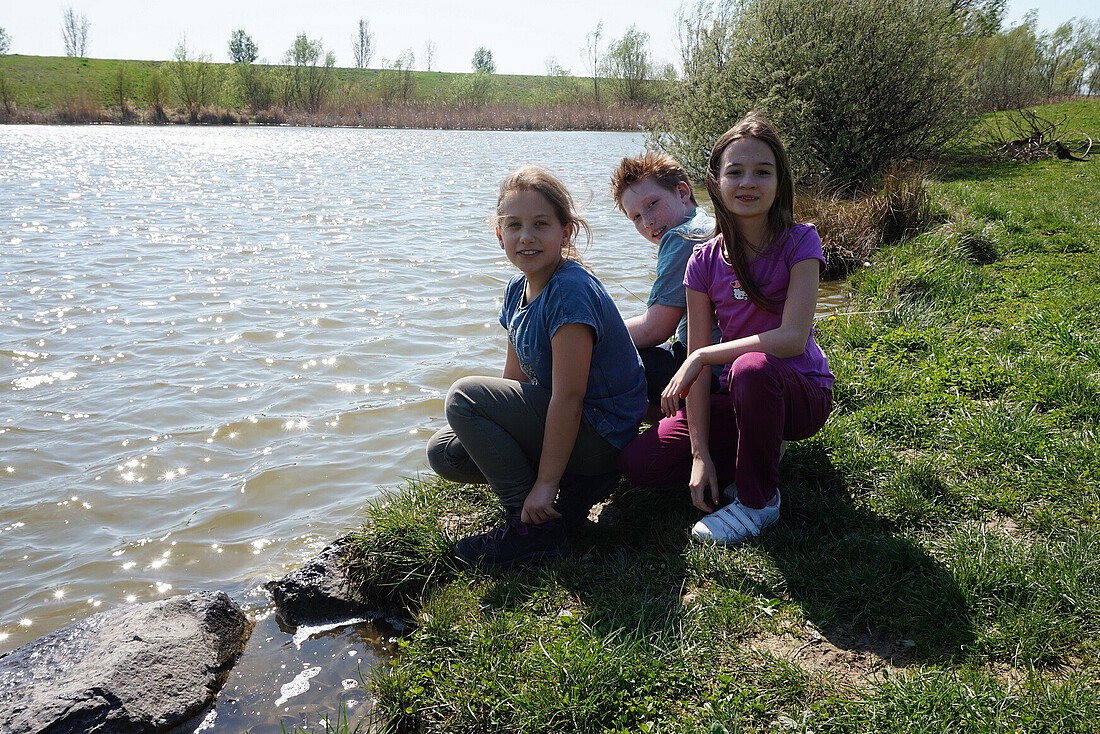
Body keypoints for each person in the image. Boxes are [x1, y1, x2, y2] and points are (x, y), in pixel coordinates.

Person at [618, 113, 834, 546]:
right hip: (733, 391)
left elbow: (792, 338)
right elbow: (697, 374)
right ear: (715, 182)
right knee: (639, 464)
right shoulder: (702, 260)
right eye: (734, 172)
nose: (748, 182)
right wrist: (699, 457)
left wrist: (702, 355)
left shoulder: (802, 241)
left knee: (749, 368)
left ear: (779, 181)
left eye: (762, 171)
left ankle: (759, 501)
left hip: (800, 392)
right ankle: (752, 452)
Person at [427, 164, 647, 568]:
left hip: (602, 433)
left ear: (566, 233)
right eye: (514, 225)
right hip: (571, 427)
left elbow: (570, 397)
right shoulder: (516, 289)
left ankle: (533, 527)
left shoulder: (570, 291)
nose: (525, 236)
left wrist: (542, 485)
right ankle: (568, 494)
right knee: (446, 452)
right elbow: (515, 382)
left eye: (540, 224)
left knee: (463, 397)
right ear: (499, 235)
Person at [610, 152, 720, 413]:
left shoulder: (681, 238)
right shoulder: (705, 222)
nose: (647, 221)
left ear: (682, 192)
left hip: (707, 373)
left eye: (651, 204)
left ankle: (657, 427)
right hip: (718, 362)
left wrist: (595, 335)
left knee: (607, 360)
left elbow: (656, 329)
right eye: (635, 217)